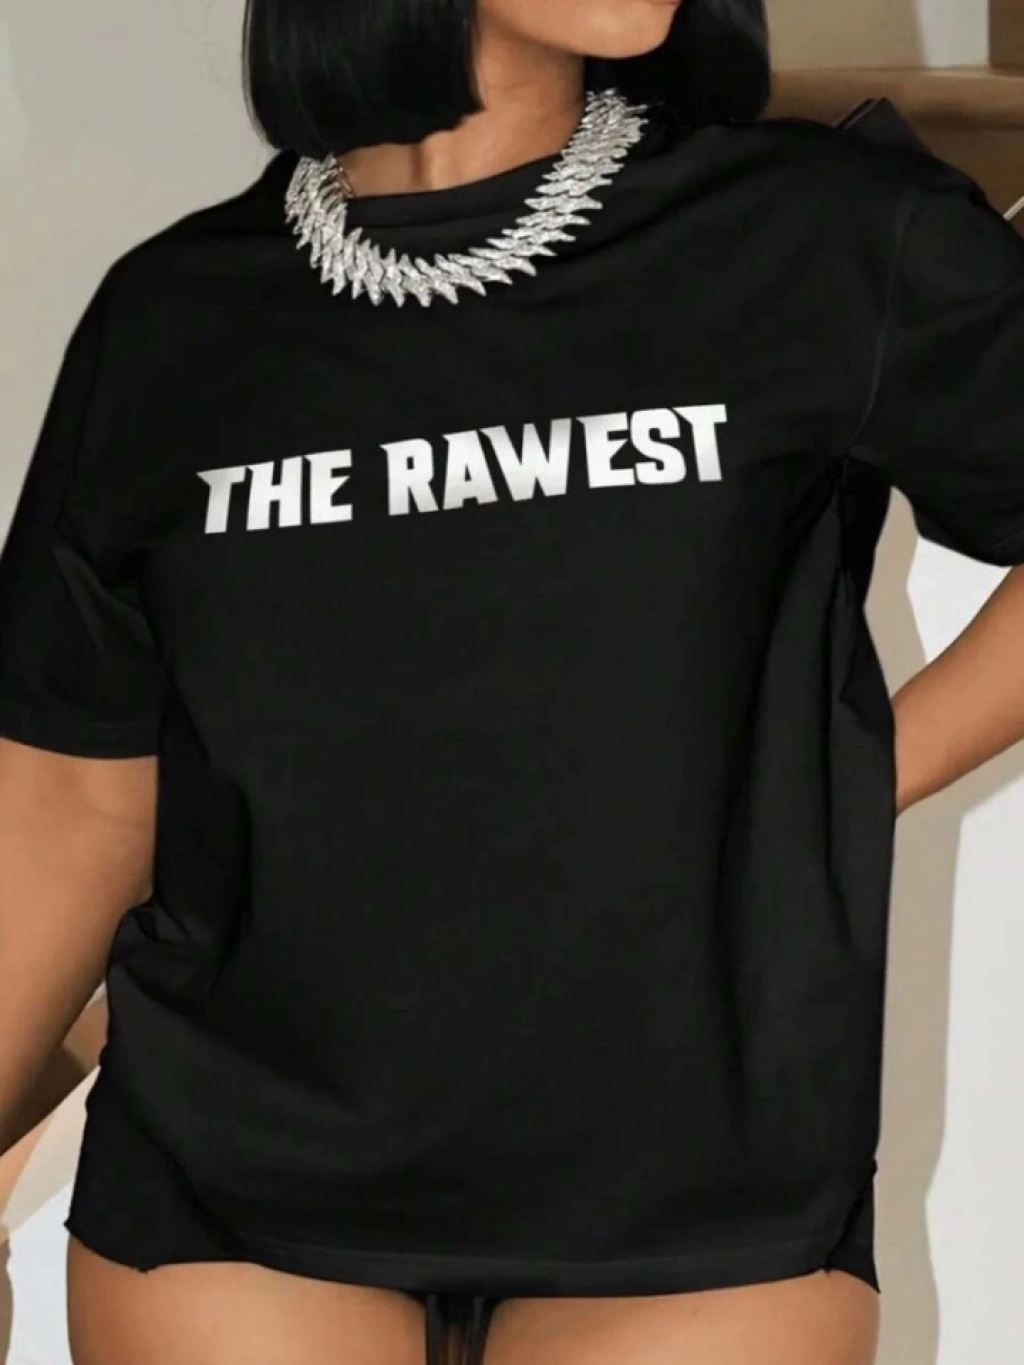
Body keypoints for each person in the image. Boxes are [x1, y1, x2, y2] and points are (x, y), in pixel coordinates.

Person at [2, 0, 1024, 1362]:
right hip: (230, 1181)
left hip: (695, 1193)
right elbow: (76, 798)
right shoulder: (174, 318)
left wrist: (846, 777)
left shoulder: (820, 233)